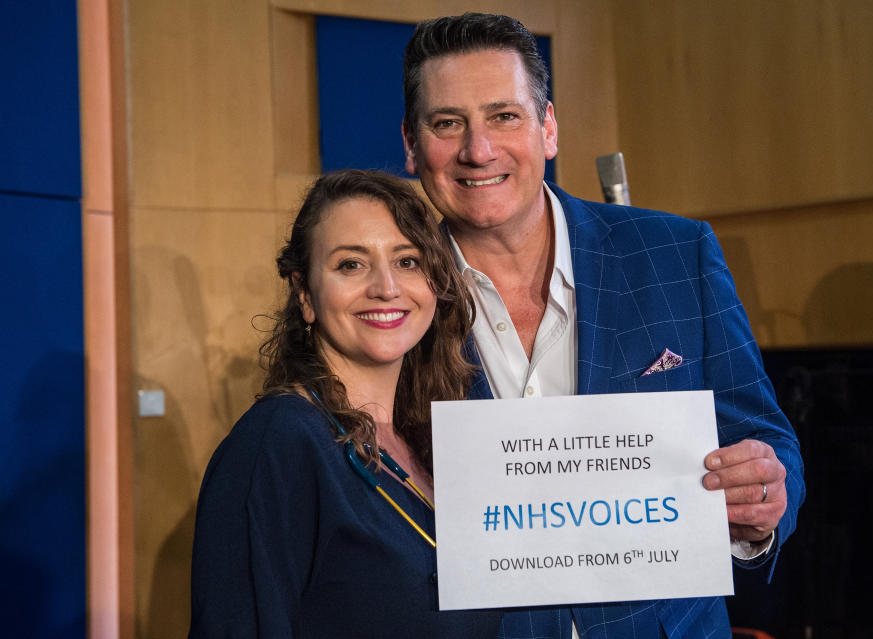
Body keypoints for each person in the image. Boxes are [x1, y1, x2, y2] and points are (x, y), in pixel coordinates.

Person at [400, 13, 805, 639]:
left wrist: (764, 501)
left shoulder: (677, 253)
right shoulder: (392, 295)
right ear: (411, 144)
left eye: (504, 116)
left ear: (548, 127)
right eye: (447, 123)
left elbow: (762, 435)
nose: (477, 149)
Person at [189, 169, 502, 638]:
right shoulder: (278, 444)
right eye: (351, 265)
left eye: (408, 261)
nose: (386, 288)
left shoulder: (430, 442)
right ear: (304, 293)